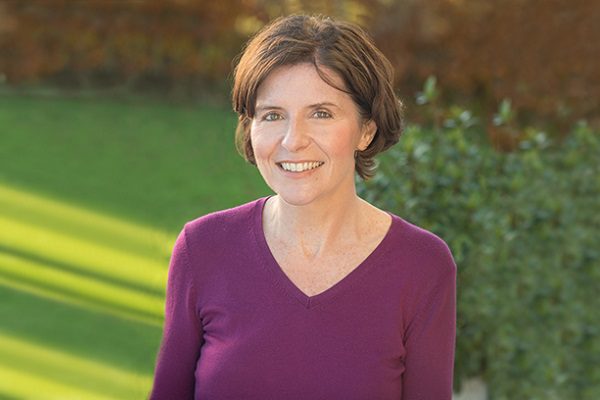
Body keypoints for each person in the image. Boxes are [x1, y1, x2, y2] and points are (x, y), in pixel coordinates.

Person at [149, 14, 456, 400]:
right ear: (251, 128)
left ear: (366, 130)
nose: (293, 140)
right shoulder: (202, 248)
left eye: (321, 113)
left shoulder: (422, 265)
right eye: (273, 115)